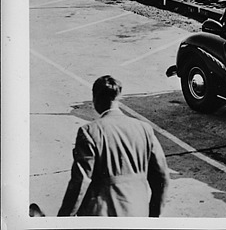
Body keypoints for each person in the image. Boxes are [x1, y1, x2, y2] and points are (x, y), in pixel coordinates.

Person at [58, 75, 169, 217]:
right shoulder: (144, 128)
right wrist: (153, 216)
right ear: (118, 98)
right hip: (138, 211)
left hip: (102, 215)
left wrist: (63, 218)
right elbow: (162, 177)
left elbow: (81, 181)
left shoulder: (89, 132)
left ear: (95, 99)